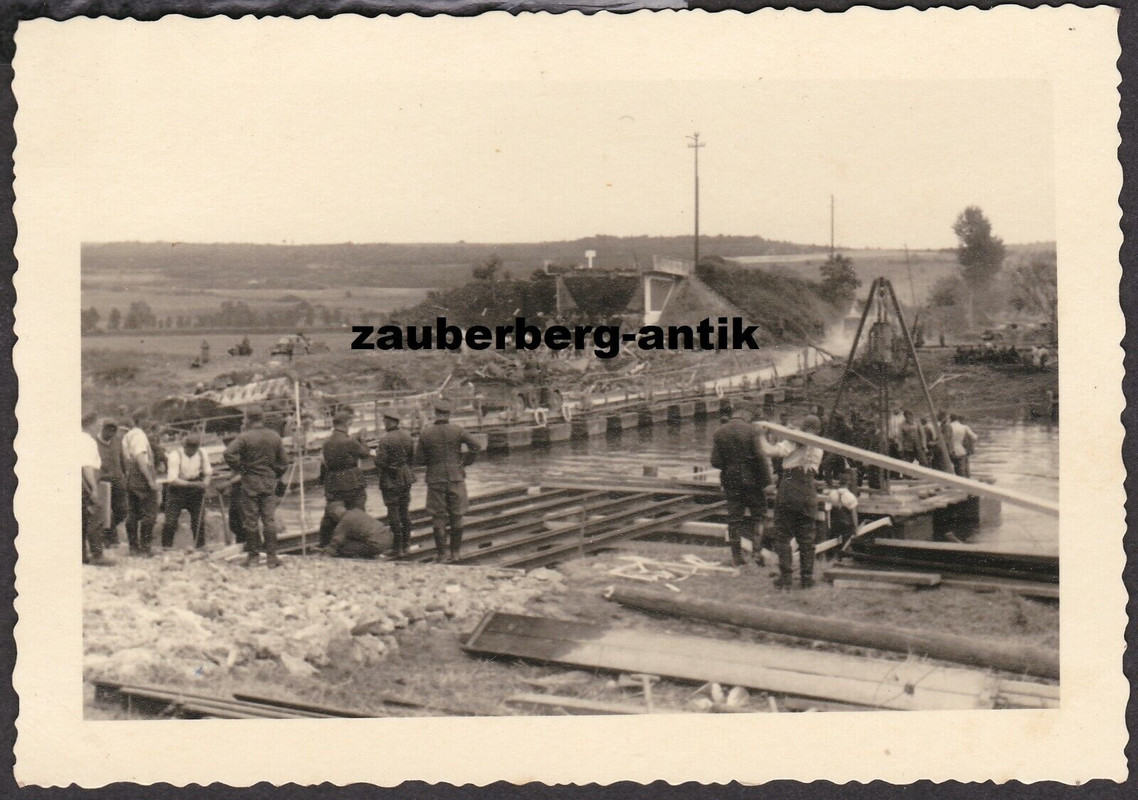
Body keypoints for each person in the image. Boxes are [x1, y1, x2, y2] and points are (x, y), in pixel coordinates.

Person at [413, 399, 481, 562]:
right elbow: (476, 446)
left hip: (435, 479)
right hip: (456, 477)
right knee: (457, 515)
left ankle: (442, 554)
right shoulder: (457, 430)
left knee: (438, 517)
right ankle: (455, 553)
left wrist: (432, 460)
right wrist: (465, 462)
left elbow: (419, 460)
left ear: (435, 414)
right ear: (449, 414)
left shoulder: (426, 433)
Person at [763, 415, 824, 590]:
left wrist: (761, 436)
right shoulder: (820, 445)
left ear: (803, 428)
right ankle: (806, 579)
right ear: (818, 430)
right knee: (807, 538)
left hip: (790, 486)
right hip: (808, 489)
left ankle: (786, 578)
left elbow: (771, 451)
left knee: (782, 535)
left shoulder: (795, 440)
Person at [224, 406, 290, 568]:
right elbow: (284, 462)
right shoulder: (274, 436)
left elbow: (228, 454)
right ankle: (272, 557)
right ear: (262, 418)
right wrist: (274, 473)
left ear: (247, 419)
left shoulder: (244, 437)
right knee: (269, 520)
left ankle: (253, 557)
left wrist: (242, 468)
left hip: (250, 483)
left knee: (250, 521)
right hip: (268, 482)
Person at [709, 399, 771, 567]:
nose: (751, 418)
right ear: (744, 413)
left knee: (734, 518)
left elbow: (715, 462)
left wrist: (729, 466)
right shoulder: (752, 431)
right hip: (753, 481)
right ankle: (757, 554)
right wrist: (766, 481)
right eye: (750, 414)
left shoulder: (720, 431)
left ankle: (737, 557)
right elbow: (761, 458)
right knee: (759, 515)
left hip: (731, 481)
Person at [317, 409, 372, 549]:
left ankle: (325, 543)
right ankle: (359, 544)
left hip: (333, 482)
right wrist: (363, 440)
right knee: (358, 513)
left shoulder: (327, 442)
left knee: (331, 514)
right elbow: (365, 454)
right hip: (352, 481)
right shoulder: (349, 441)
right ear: (347, 424)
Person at [374, 409, 416, 556]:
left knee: (393, 512)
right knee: (405, 511)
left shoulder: (386, 439)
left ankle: (397, 548)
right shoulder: (407, 436)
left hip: (390, 480)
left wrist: (375, 456)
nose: (384, 424)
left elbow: (380, 462)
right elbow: (411, 458)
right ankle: (407, 544)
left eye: (385, 421)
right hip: (405, 477)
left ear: (390, 422)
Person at [161, 433, 213, 549]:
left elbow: (208, 472)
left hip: (195, 491)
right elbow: (172, 479)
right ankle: (166, 548)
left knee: (198, 520)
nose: (192, 451)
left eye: (194, 448)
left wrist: (205, 483)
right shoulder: (175, 455)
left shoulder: (201, 453)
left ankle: (200, 547)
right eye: (189, 448)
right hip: (177, 490)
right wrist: (195, 484)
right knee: (170, 521)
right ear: (184, 446)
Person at [121, 414, 160, 556]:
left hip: (131, 476)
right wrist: (150, 479)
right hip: (141, 477)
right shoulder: (139, 435)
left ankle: (133, 547)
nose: (150, 423)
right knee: (149, 512)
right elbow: (140, 457)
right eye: (148, 419)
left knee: (133, 512)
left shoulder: (127, 436)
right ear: (142, 420)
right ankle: (145, 547)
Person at [81, 413, 112, 565]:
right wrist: (93, 488)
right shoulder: (87, 441)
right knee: (96, 516)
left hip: (80, 479)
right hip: (86, 480)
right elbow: (87, 466)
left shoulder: (76, 438)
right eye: (98, 426)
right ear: (91, 424)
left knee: (81, 519)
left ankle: (82, 555)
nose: (99, 429)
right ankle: (97, 554)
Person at [94, 417, 127, 548]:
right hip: (103, 482)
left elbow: (122, 459)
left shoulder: (117, 441)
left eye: (113, 431)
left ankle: (108, 535)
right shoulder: (94, 443)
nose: (111, 434)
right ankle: (110, 539)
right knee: (106, 511)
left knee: (122, 510)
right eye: (108, 430)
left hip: (118, 481)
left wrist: (125, 475)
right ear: (103, 429)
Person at [322, 501, 393, 559]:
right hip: (388, 538)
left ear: (334, 514)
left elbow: (336, 542)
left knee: (344, 548)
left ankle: (370, 556)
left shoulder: (344, 521)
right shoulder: (357, 511)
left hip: (376, 545)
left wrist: (326, 553)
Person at [947, 413, 978, 478]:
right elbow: (975, 437)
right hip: (961, 451)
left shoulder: (948, 426)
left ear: (950, 419)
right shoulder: (964, 427)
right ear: (957, 419)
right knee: (962, 470)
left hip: (950, 451)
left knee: (954, 470)